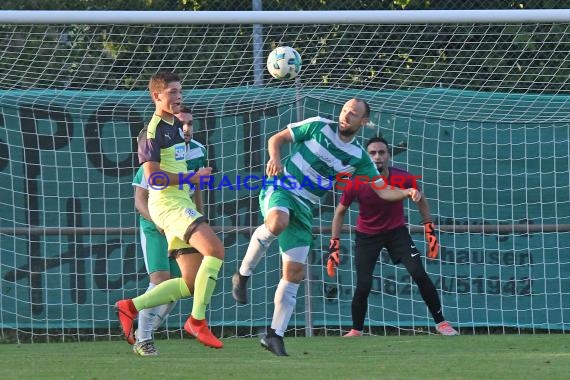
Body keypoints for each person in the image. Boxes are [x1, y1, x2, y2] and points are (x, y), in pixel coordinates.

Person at [231, 98, 422, 356]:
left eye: (353, 114)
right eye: (345, 110)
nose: (346, 116)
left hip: (305, 206)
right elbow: (276, 139)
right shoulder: (318, 126)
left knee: (295, 273)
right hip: (282, 187)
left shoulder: (359, 157)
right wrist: (275, 159)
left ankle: (274, 335)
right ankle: (242, 275)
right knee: (277, 221)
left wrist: (406, 191)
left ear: (363, 122)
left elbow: (384, 191)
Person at [116, 71, 224, 349]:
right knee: (216, 251)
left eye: (180, 92)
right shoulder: (151, 131)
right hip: (167, 205)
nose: (179, 97)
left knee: (189, 283)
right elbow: (153, 179)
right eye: (173, 92)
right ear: (157, 96)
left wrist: (195, 181)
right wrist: (193, 178)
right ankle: (197, 322)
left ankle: (131, 306)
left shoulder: (175, 127)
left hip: (181, 204)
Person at [329, 136, 459, 337]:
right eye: (372, 153)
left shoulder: (403, 178)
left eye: (381, 152)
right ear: (366, 156)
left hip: (396, 233)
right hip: (366, 236)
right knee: (363, 283)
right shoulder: (355, 181)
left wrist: (430, 232)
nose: (377, 157)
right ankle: (356, 330)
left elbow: (421, 200)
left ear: (389, 155)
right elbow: (339, 212)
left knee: (419, 274)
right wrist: (334, 244)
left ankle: (442, 323)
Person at [129, 106, 208, 356]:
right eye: (180, 123)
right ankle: (143, 338)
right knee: (160, 280)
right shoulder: (157, 149)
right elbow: (140, 198)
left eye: (190, 124)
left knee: (182, 284)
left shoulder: (198, 151)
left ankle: (145, 331)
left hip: (182, 221)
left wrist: (199, 219)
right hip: (155, 225)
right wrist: (159, 222)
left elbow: (197, 189)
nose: (185, 128)